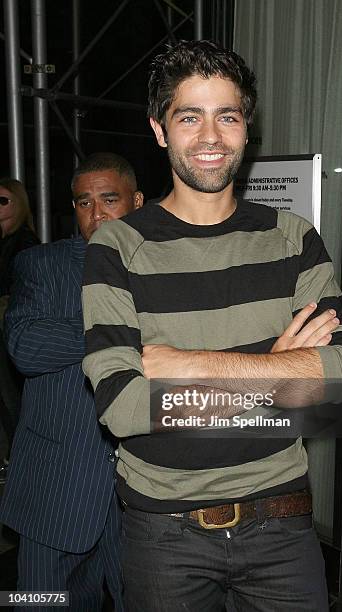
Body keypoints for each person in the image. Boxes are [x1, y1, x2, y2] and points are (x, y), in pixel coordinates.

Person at [82, 42, 342, 611]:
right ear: (161, 131)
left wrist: (186, 364)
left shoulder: (292, 237)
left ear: (245, 128)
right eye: (190, 116)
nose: (210, 136)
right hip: (164, 535)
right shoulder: (118, 246)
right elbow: (124, 407)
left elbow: (340, 381)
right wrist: (280, 371)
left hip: (283, 524)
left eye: (226, 116)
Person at [0, 153, 143, 611]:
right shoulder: (43, 264)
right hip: (56, 486)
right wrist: (127, 331)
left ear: (137, 202)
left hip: (140, 492)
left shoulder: (168, 268)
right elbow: (27, 348)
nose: (97, 213)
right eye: (84, 202)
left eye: (109, 199)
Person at [0, 177, 39, 484]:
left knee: (13, 402)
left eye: (4, 201)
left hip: (14, 336)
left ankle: (21, 465)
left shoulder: (25, 244)